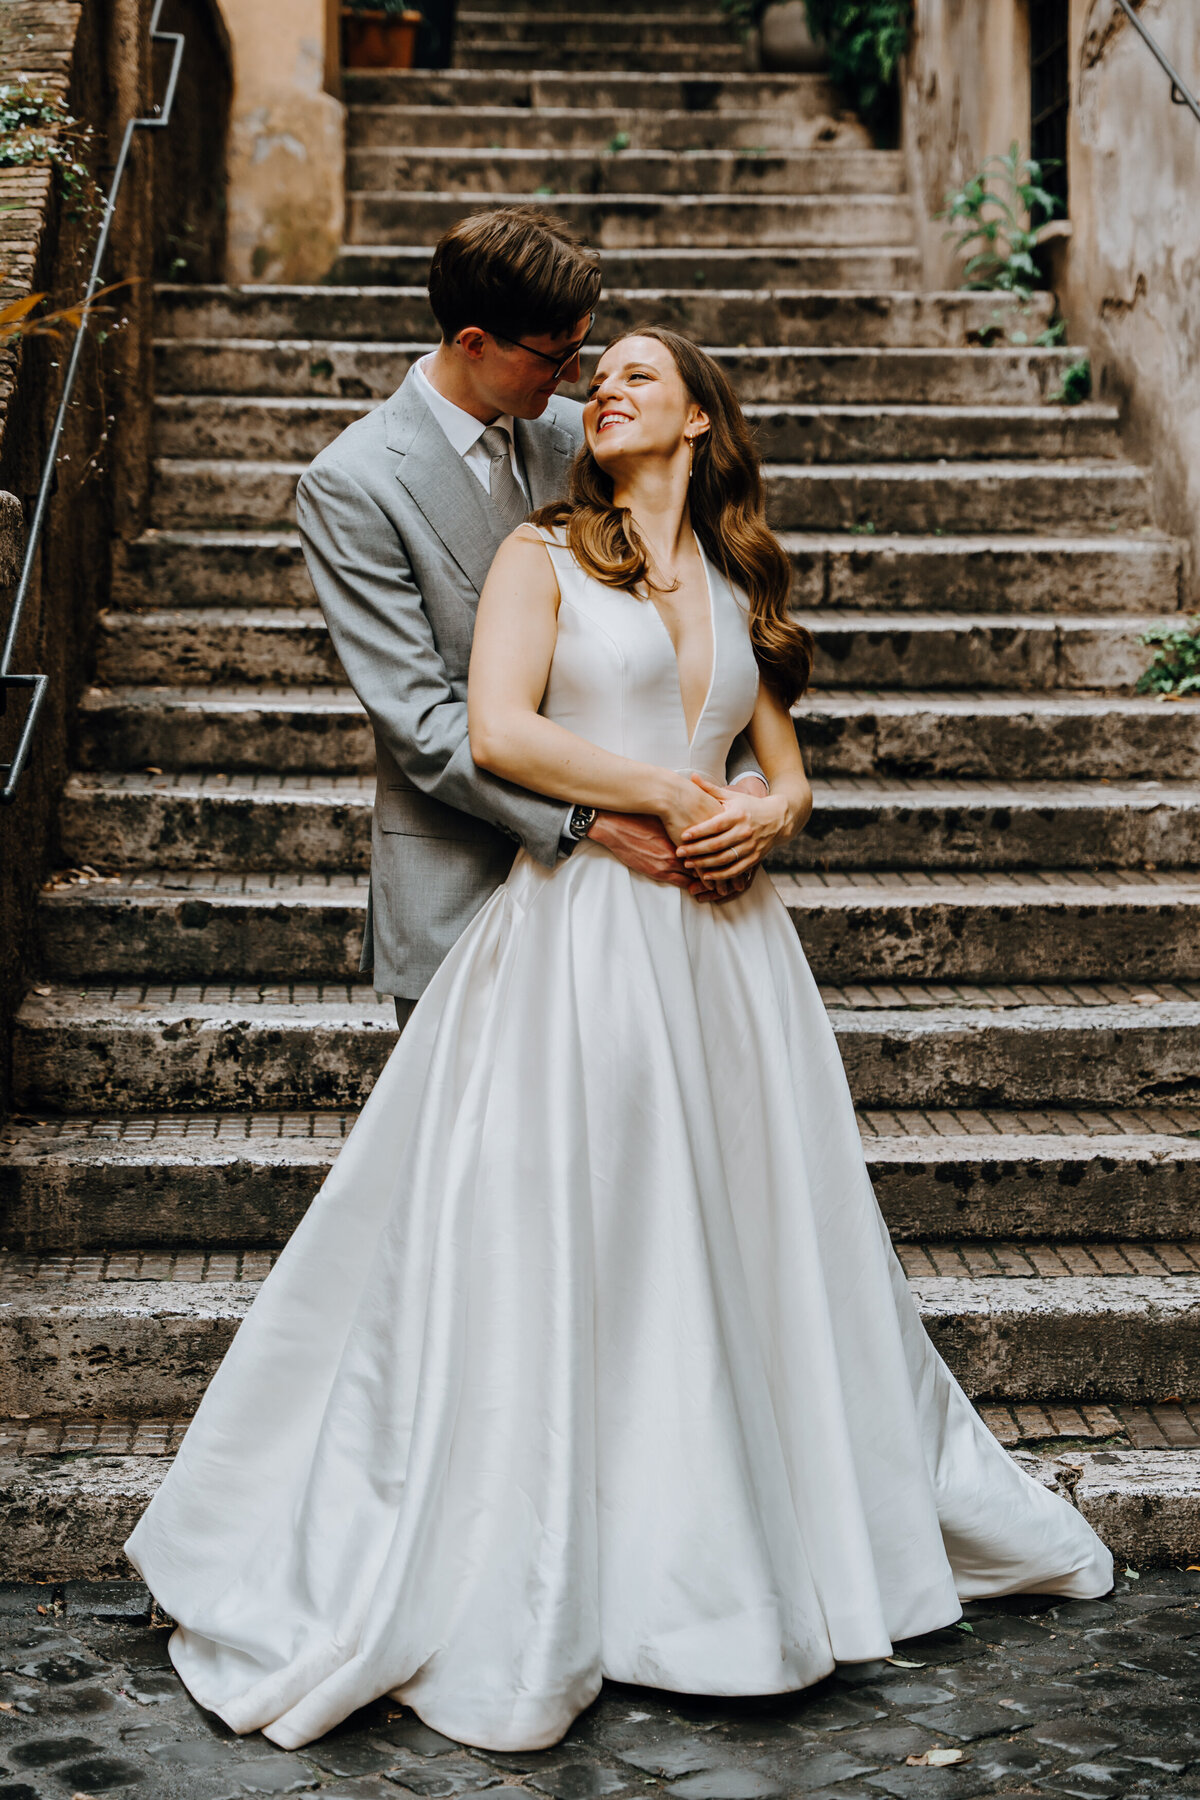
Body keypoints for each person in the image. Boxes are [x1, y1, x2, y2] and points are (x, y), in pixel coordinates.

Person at [125, 327, 1113, 1756]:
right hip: (585, 930)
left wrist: (766, 818)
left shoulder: (733, 580)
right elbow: (498, 729)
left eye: (643, 375)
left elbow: (783, 767)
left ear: (703, 422)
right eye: (602, 380)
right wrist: (657, 789)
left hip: (731, 955)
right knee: (581, 1225)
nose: (610, 392)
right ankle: (544, 1553)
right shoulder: (541, 557)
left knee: (734, 1241)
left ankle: (723, 1539)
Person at [295, 206, 767, 1029]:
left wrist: (753, 789)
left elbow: (703, 614)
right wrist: (591, 821)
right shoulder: (353, 483)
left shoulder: (585, 436)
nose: (582, 376)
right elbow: (420, 720)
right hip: (466, 873)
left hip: (642, 896)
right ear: (474, 342)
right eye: (558, 355)